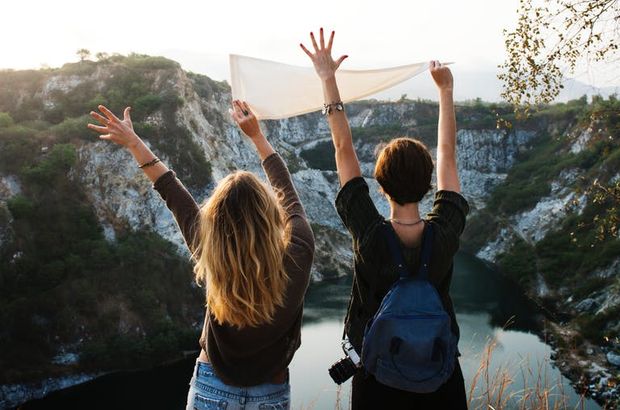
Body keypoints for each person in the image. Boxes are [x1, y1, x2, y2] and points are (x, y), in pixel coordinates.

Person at [87, 100, 314, 410]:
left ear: (215, 220)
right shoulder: (299, 251)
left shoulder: (210, 248)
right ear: (270, 215)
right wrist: (257, 137)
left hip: (212, 388)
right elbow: (287, 192)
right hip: (269, 392)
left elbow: (169, 189)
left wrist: (133, 142)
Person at [301, 29, 469, 408]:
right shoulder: (444, 234)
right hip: (441, 377)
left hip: (377, 379)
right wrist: (445, 91)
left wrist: (328, 79)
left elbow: (343, 148)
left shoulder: (370, 235)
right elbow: (448, 156)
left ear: (380, 184)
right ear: (429, 185)